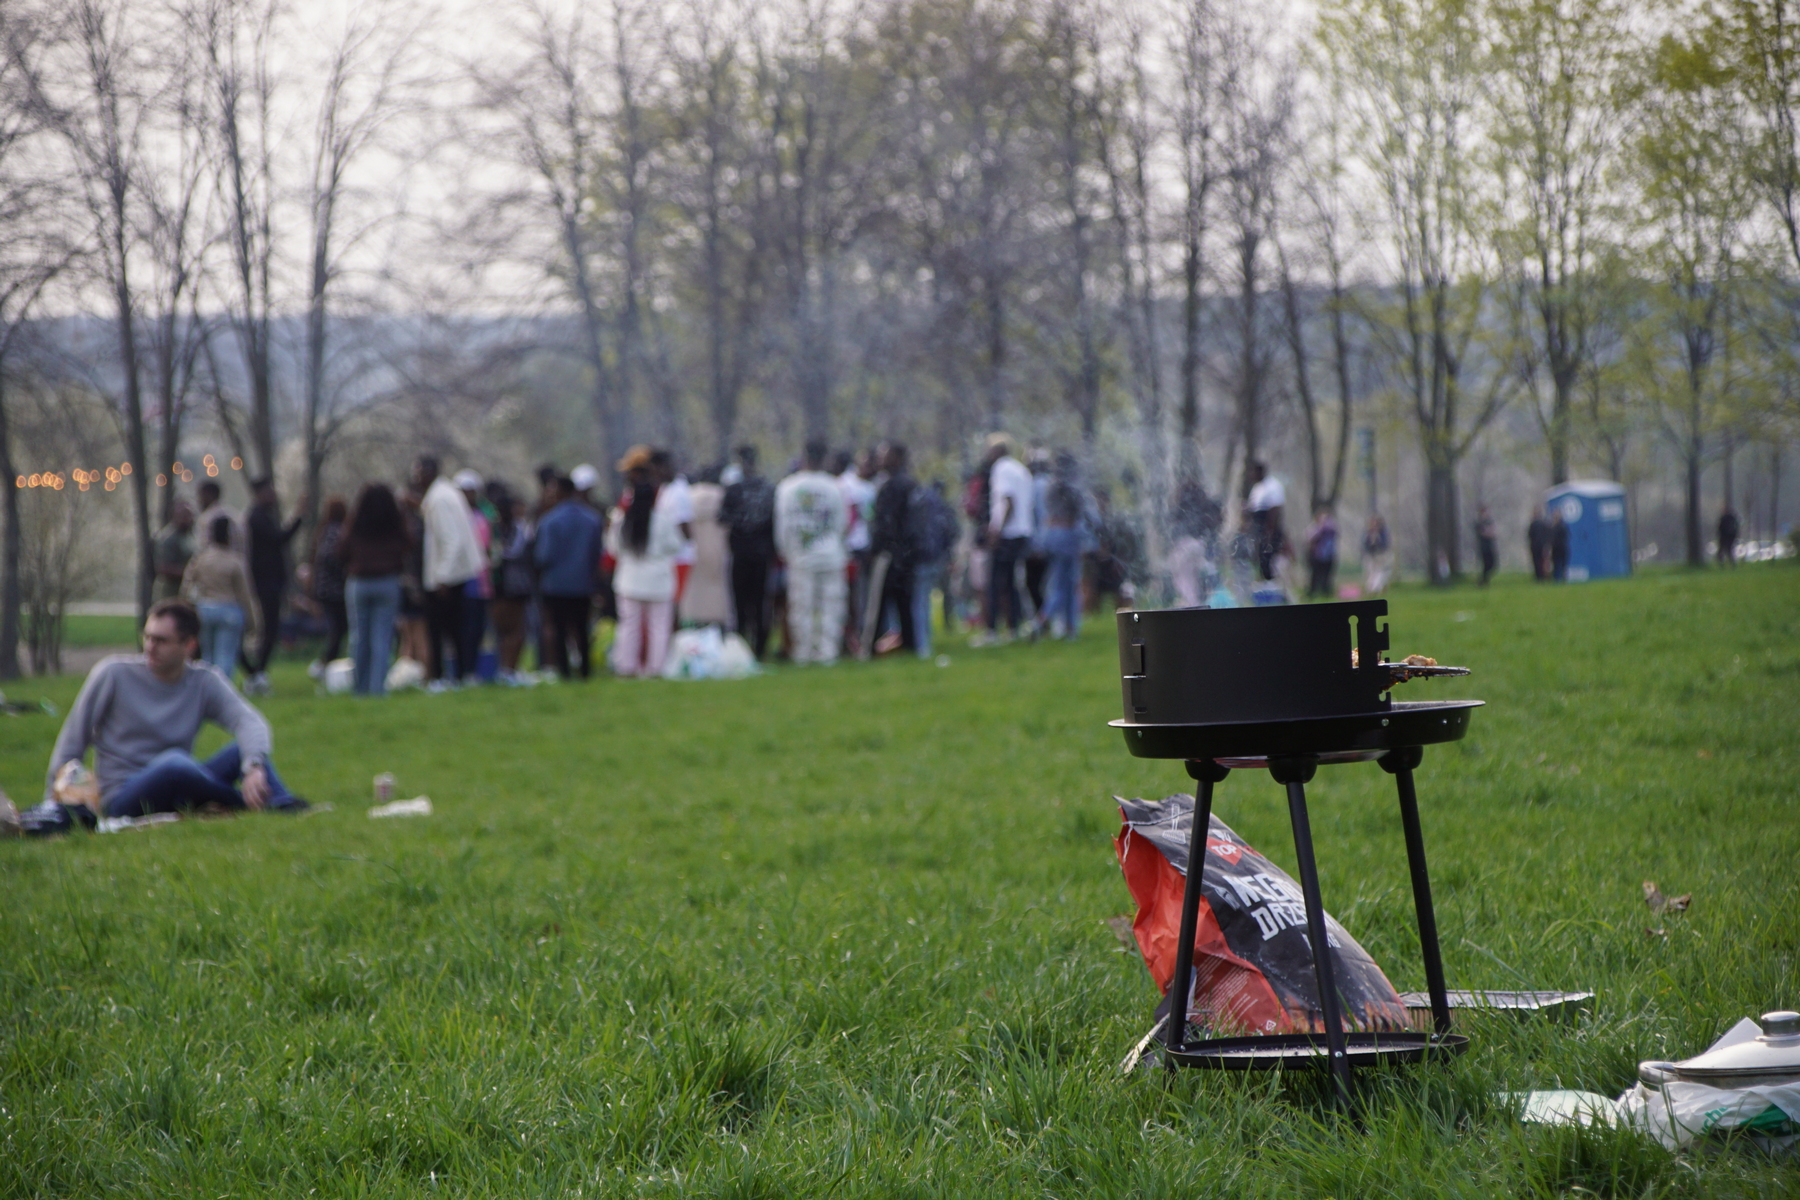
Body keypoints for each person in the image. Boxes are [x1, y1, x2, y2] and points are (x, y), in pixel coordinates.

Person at [36, 600, 302, 823]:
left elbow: (249, 721)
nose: (150, 647)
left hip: (182, 780)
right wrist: (54, 801)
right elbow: (73, 739)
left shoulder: (204, 681)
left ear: (189, 646)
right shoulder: (113, 674)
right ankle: (245, 802)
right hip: (123, 795)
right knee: (174, 763)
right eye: (148, 637)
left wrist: (253, 766)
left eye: (161, 640)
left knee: (241, 750)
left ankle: (284, 803)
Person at [606, 447, 683, 677]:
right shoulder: (662, 520)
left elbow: (613, 548)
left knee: (629, 626)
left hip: (629, 579)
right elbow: (676, 546)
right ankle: (655, 668)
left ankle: (627, 666)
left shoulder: (620, 519)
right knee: (659, 626)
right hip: (658, 580)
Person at [410, 455, 484, 685]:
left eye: (418, 472)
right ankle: (461, 674)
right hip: (454, 574)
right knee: (456, 629)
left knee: (441, 631)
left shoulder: (440, 498)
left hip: (446, 577)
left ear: (428, 472)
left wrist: (443, 577)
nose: (415, 478)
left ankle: (441, 677)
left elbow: (452, 540)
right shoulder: (444, 493)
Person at [776, 438, 849, 665]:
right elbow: (842, 522)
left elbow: (783, 525)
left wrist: (785, 551)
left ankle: (803, 652)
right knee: (831, 606)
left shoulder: (788, 487)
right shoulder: (834, 486)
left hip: (801, 556)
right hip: (831, 554)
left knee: (802, 607)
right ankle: (827, 652)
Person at [340, 483, 411, 696]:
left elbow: (341, 551)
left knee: (359, 638)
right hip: (387, 581)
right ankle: (377, 689)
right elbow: (409, 543)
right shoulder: (395, 523)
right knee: (382, 639)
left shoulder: (355, 524)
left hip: (359, 582)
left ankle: (359, 689)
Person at [535, 474, 604, 679]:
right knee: (582, 628)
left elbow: (543, 555)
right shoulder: (591, 519)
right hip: (583, 583)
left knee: (559, 629)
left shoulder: (549, 521)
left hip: (556, 584)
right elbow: (596, 553)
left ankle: (564, 671)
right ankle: (585, 671)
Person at [241, 478, 304, 695]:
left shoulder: (264, 516)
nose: (273, 496)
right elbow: (279, 538)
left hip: (271, 581)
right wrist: (298, 516)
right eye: (270, 492)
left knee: (271, 629)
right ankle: (255, 672)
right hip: (265, 582)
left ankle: (257, 671)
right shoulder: (257, 517)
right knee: (268, 628)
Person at [181, 515, 261, 679]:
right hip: (229, 610)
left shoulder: (200, 559)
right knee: (225, 656)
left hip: (205, 610)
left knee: (207, 657)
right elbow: (245, 594)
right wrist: (254, 621)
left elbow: (186, 587)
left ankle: (206, 692)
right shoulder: (235, 561)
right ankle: (222, 693)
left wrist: (186, 608)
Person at [720, 444, 777, 659]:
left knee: (741, 603)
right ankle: (760, 647)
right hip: (762, 554)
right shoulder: (768, 489)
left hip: (741, 554)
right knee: (761, 602)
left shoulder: (734, 490)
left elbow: (723, 518)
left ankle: (743, 646)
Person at [978, 434, 1035, 645]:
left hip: (1008, 534)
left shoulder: (1001, 468)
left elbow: (1007, 501)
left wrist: (996, 531)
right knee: (1012, 583)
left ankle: (991, 630)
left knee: (994, 582)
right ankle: (1014, 628)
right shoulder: (1020, 469)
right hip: (1022, 532)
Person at [869, 442, 920, 654]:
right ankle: (909, 645)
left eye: (884, 455)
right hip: (908, 555)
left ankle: (869, 647)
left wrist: (877, 549)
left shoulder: (892, 486)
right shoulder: (911, 484)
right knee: (904, 605)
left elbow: (885, 523)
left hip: (890, 555)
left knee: (878, 603)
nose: (879, 460)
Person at [1038, 452, 1090, 639]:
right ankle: (1043, 621)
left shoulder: (1050, 485)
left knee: (1060, 583)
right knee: (1066, 585)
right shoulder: (1071, 486)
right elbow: (1080, 510)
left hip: (1051, 534)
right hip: (1067, 534)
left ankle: (1066, 627)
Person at [906, 479, 959, 658]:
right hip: (937, 556)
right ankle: (926, 640)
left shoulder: (918, 502)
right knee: (928, 599)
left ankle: (922, 646)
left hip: (921, 556)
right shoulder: (942, 506)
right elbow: (951, 530)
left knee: (920, 601)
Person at [680, 466, 731, 628]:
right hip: (717, 546)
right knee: (718, 585)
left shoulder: (688, 496)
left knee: (693, 587)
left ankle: (692, 620)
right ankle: (717, 620)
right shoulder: (723, 497)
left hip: (694, 548)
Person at [490, 490, 533, 678]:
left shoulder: (493, 530)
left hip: (498, 584)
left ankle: (505, 668)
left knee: (502, 630)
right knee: (515, 629)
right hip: (515, 585)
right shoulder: (521, 529)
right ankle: (510, 668)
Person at [454, 469, 493, 678]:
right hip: (461, 580)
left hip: (480, 581)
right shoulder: (455, 518)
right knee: (463, 628)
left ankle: (472, 669)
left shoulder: (481, 517)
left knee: (477, 628)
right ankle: (463, 669)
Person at [309, 495, 349, 672]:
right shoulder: (336, 531)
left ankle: (328, 663)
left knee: (338, 628)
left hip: (325, 588)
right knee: (339, 628)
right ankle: (325, 663)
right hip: (334, 590)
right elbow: (330, 557)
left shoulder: (323, 531)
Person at [1246, 461, 1286, 581]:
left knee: (1269, 556)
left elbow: (1274, 510)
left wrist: (1269, 530)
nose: (1251, 475)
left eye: (1253, 472)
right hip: (1258, 526)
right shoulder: (1256, 488)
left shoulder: (1273, 486)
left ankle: (1271, 582)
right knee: (1259, 556)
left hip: (1268, 526)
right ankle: (1263, 581)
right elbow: (1253, 508)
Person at [152, 501, 196, 602]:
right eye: (185, 516)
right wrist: (190, 573)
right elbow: (163, 568)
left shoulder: (190, 535)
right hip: (170, 590)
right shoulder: (168, 538)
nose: (189, 519)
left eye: (190, 515)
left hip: (186, 590)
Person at [195, 480, 245, 561]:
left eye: (200, 496)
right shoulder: (234, 516)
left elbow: (203, 548)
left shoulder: (206, 519)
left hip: (214, 566)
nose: (199, 501)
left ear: (208, 495)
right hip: (237, 565)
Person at [1306, 504, 1339, 599]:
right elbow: (1310, 538)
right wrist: (1320, 528)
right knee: (1315, 576)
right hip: (1317, 555)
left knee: (1327, 576)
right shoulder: (1314, 528)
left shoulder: (1332, 528)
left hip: (1329, 555)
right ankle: (1312, 593)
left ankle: (1326, 593)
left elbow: (1336, 532)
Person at [1362, 513, 1393, 595]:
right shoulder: (1368, 533)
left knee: (1380, 572)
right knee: (1371, 572)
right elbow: (1365, 544)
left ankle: (1376, 589)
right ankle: (1370, 589)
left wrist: (1377, 542)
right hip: (1370, 555)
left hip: (1380, 555)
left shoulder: (1383, 532)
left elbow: (1385, 544)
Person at [1475, 505, 1499, 586]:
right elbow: (1484, 533)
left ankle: (1483, 579)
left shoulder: (1489, 521)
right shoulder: (1479, 523)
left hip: (1490, 546)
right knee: (1486, 564)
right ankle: (1484, 581)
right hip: (1483, 546)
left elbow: (1493, 531)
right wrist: (1489, 532)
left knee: (1493, 564)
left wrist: (1489, 532)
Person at [1527, 507, 1552, 581]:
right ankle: (1543, 576)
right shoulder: (1544, 524)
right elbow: (1548, 535)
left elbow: (1530, 535)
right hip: (1542, 545)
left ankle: (1538, 576)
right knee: (1542, 561)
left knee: (1536, 561)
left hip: (1535, 545)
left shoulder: (1533, 524)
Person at [1549, 509, 1571, 582]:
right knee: (1561, 564)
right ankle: (1561, 578)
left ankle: (1558, 578)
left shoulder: (1555, 527)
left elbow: (1553, 538)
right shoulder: (1563, 526)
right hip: (1562, 547)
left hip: (1558, 547)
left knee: (1558, 564)